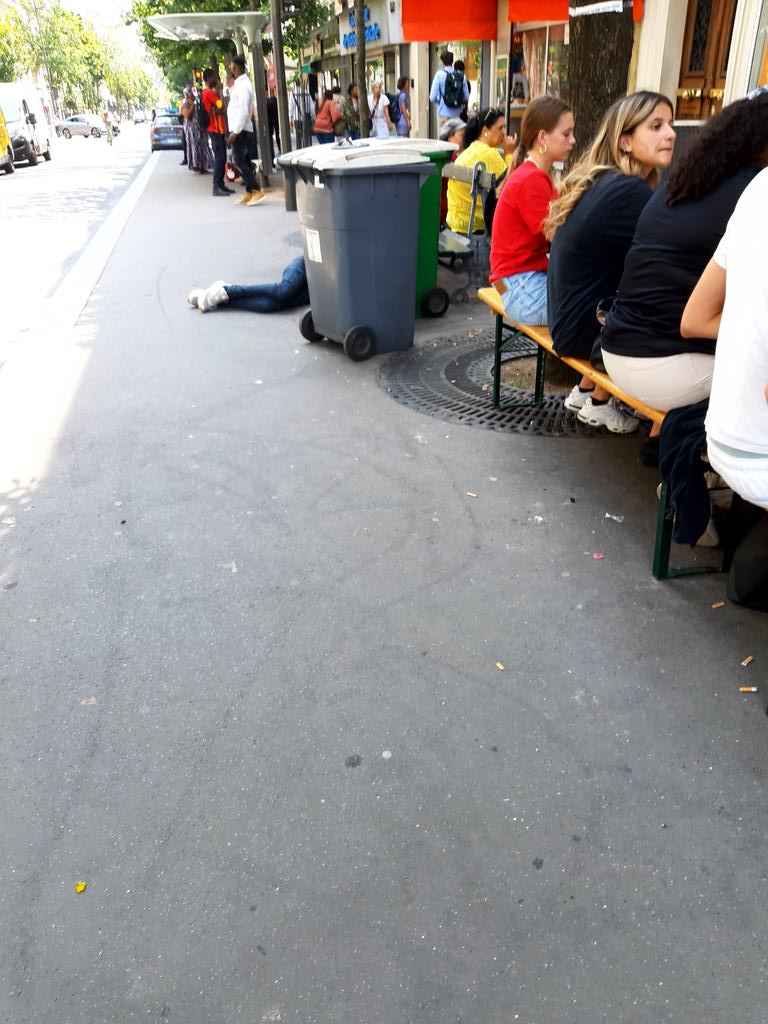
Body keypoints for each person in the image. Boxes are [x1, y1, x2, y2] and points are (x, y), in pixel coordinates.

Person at [599, 91, 768, 420]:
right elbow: (700, 321)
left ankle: (659, 444)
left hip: (616, 351)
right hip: (666, 367)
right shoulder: (753, 194)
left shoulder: (682, 182)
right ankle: (701, 463)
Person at [544, 91, 676, 433]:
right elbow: (666, 266)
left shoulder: (605, 180)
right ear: (626, 141)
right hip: (583, 331)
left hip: (566, 320)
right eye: (657, 126)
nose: (671, 134)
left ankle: (591, 392)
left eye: (671, 125)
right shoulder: (631, 192)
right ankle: (656, 426)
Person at [681, 167, 768, 511]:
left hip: (723, 434)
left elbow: (693, 318)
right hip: (758, 452)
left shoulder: (757, 186)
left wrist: (745, 328)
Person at [489, 96, 575, 325]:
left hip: (518, 283)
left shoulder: (534, 174)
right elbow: (561, 236)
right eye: (566, 134)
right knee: (594, 304)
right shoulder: (531, 180)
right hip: (522, 290)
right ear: (542, 138)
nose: (573, 140)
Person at [446, 107, 517, 235]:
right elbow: (514, 185)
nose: (505, 133)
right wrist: (509, 153)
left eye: (505, 127)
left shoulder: (468, 151)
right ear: (485, 131)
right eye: (500, 128)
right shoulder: (489, 154)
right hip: (476, 229)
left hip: (456, 225)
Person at [187, 257, 310, 314]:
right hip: (306, 266)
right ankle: (228, 291)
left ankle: (217, 300)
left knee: (268, 305)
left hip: (316, 289)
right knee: (284, 291)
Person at [227, 55, 262, 205]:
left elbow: (243, 111)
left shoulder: (243, 86)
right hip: (241, 129)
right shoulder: (240, 84)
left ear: (236, 68)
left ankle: (256, 189)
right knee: (244, 161)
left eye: (231, 67)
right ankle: (250, 191)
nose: (230, 69)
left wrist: (235, 132)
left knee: (237, 160)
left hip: (240, 130)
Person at [202, 68, 231, 197]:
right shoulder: (209, 93)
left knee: (221, 157)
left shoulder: (206, 93)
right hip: (216, 129)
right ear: (208, 78)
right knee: (220, 158)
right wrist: (219, 89)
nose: (217, 79)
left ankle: (220, 184)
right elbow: (221, 106)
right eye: (214, 77)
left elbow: (219, 108)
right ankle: (216, 186)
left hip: (215, 129)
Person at [429, 50, 469, 133]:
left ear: (442, 62)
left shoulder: (439, 75)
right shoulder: (461, 75)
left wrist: (441, 102)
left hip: (443, 113)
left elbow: (432, 97)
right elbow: (466, 96)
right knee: (455, 139)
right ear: (452, 61)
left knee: (443, 140)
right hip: (457, 113)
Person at [439, 116, 466, 225]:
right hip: (450, 212)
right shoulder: (453, 157)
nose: (464, 139)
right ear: (450, 137)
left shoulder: (443, 153)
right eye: (462, 135)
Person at [266, 88, 280, 162]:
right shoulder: (275, 100)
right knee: (277, 134)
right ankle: (280, 148)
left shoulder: (268, 102)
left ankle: (271, 160)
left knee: (270, 141)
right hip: (276, 120)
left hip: (270, 124)